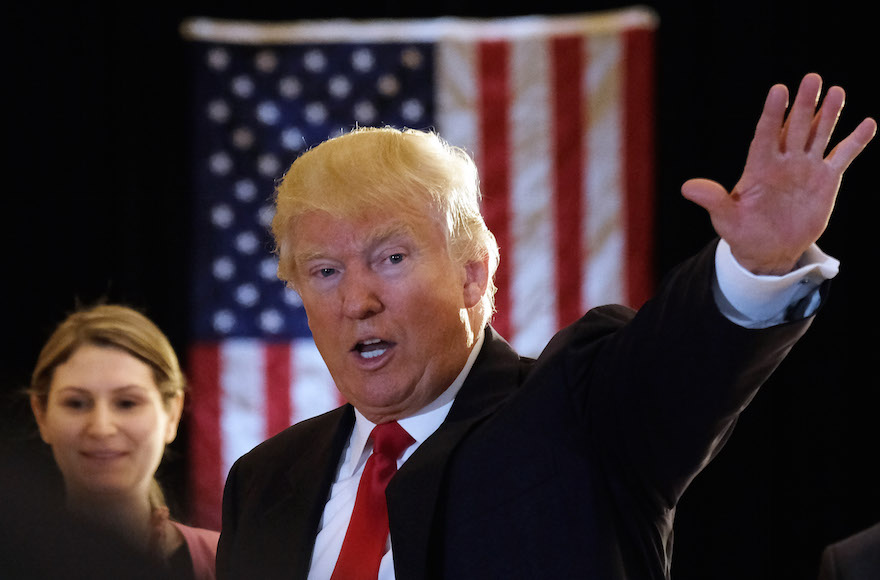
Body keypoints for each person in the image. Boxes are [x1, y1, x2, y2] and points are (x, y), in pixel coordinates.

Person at [216, 73, 876, 579]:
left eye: (390, 258)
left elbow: (686, 360)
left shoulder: (580, 411)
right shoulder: (264, 481)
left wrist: (754, 263)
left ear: (473, 274)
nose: (357, 300)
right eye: (325, 271)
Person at [28, 304, 220, 580]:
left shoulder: (227, 564)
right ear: (41, 414)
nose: (101, 428)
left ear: (172, 414)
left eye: (127, 403)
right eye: (76, 403)